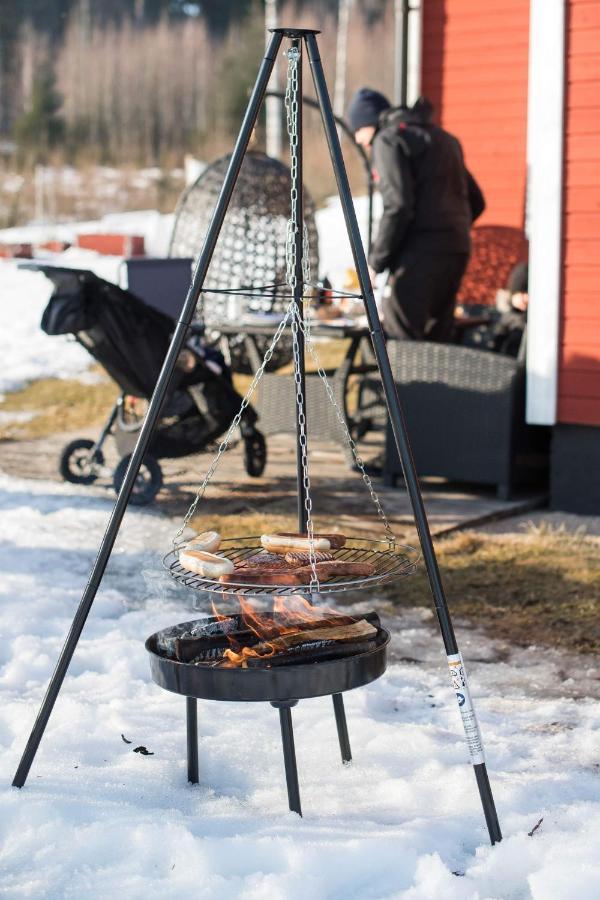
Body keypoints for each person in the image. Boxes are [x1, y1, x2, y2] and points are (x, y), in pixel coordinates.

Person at [347, 88, 485, 341]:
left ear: (370, 122)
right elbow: (477, 201)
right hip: (456, 251)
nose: (358, 140)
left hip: (419, 256)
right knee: (437, 339)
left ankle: (402, 383)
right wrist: (449, 227)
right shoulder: (445, 139)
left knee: (401, 336)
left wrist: (376, 262)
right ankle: (435, 382)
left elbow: (398, 205)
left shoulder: (387, 140)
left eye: (358, 130)